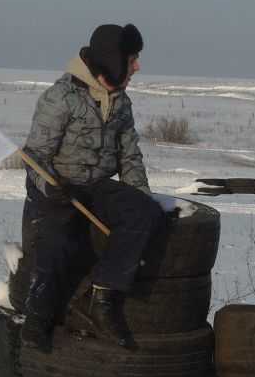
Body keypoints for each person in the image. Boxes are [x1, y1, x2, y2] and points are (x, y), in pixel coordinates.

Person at [20, 23, 165, 350]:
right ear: (113, 61)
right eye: (132, 59)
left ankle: (101, 299)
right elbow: (35, 155)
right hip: (57, 185)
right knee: (57, 242)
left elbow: (129, 157)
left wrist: (139, 207)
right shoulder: (61, 97)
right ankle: (38, 315)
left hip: (96, 185)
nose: (137, 67)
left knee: (144, 211)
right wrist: (49, 186)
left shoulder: (121, 102)